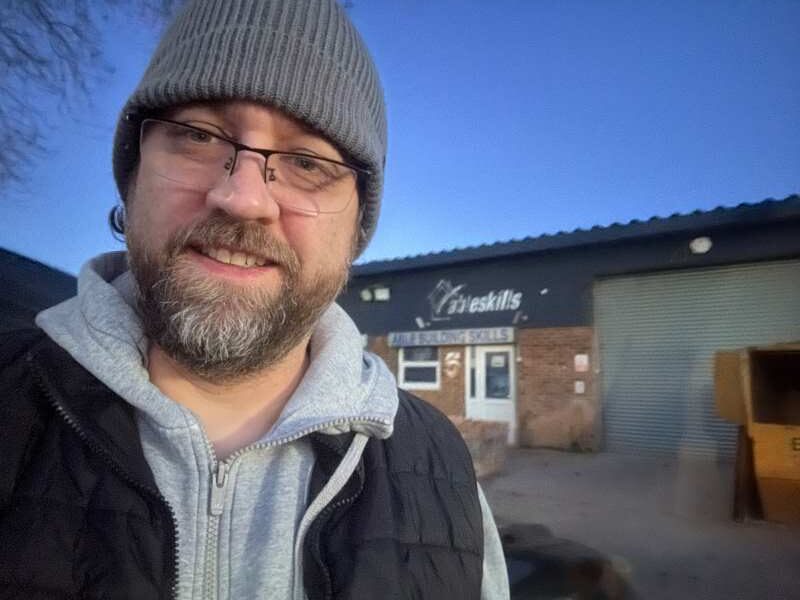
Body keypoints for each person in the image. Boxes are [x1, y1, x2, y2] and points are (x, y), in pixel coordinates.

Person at [0, 0, 509, 598]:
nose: (243, 198)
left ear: (356, 229)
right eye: (196, 134)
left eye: (307, 162)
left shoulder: (442, 473)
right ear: (132, 177)